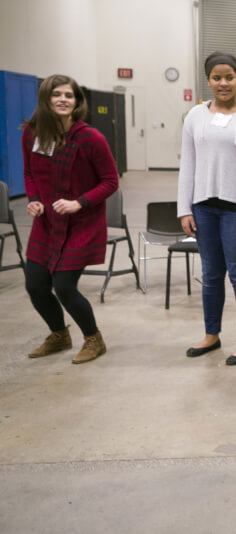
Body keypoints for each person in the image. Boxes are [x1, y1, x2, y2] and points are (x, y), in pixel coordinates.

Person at [177, 51, 236, 365]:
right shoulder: (195, 116)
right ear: (208, 80)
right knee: (211, 275)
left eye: (229, 76)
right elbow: (187, 165)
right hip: (203, 207)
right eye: (216, 77)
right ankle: (211, 334)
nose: (223, 83)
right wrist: (184, 208)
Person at [22, 74, 119, 364]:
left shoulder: (90, 138)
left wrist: (80, 202)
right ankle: (59, 335)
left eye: (69, 95)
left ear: (76, 102)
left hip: (81, 223)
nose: (64, 99)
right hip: (47, 223)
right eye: (57, 94)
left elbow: (110, 181)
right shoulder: (32, 133)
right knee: (35, 285)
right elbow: (29, 174)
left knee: (64, 286)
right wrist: (34, 200)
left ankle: (93, 339)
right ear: (46, 99)